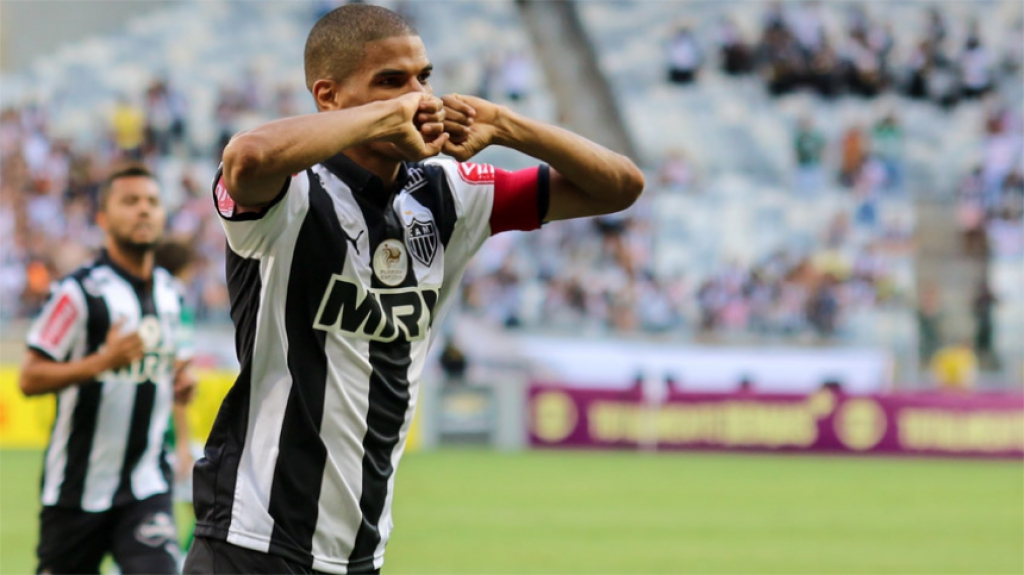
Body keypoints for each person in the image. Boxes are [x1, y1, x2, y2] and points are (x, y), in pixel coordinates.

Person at [183, 4, 644, 574]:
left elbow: (620, 187)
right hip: (250, 542)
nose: (419, 97)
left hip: (360, 552)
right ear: (328, 96)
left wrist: (507, 125)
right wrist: (382, 119)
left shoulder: (451, 194)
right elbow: (247, 158)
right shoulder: (293, 194)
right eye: (390, 82)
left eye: (424, 77)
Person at [18, 164, 197, 574]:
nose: (143, 210)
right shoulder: (78, 292)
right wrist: (103, 361)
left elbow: (175, 370)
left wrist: (181, 382)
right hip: (74, 492)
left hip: (146, 487)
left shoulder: (173, 295)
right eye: (130, 201)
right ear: (102, 218)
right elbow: (29, 378)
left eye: (152, 202)